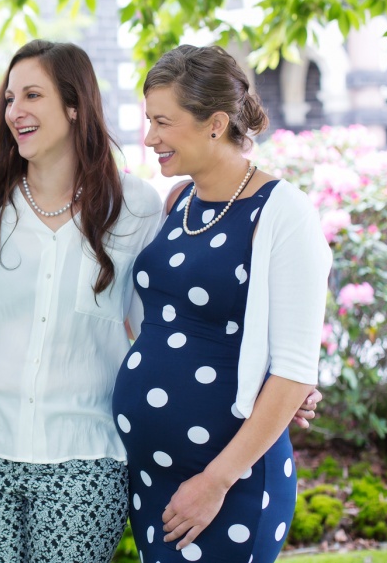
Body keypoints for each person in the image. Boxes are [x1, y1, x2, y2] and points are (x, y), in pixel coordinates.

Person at [0, 39, 164, 563]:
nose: (16, 112)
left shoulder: (136, 208)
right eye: (10, 99)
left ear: (74, 105)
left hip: (87, 455)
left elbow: (152, 337)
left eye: (33, 95)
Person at [112, 45, 332, 563]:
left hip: (228, 482)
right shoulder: (178, 202)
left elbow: (296, 370)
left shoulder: (283, 213)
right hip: (154, 477)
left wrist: (214, 482)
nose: (150, 138)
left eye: (163, 122)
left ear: (214, 123)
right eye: (149, 121)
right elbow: (162, 325)